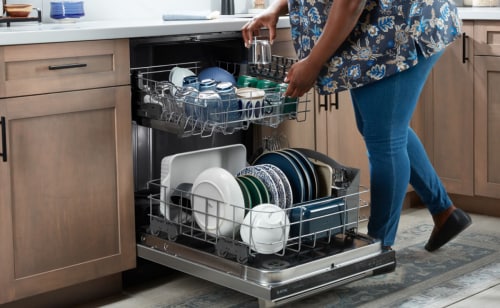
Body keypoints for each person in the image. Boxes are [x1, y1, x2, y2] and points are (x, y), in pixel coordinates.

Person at [242, 0, 472, 251]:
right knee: (383, 131)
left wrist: (313, 62)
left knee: (385, 137)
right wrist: (275, 8)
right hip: (375, 35)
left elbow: (350, 3)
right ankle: (445, 213)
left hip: (400, 30)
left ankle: (378, 247)